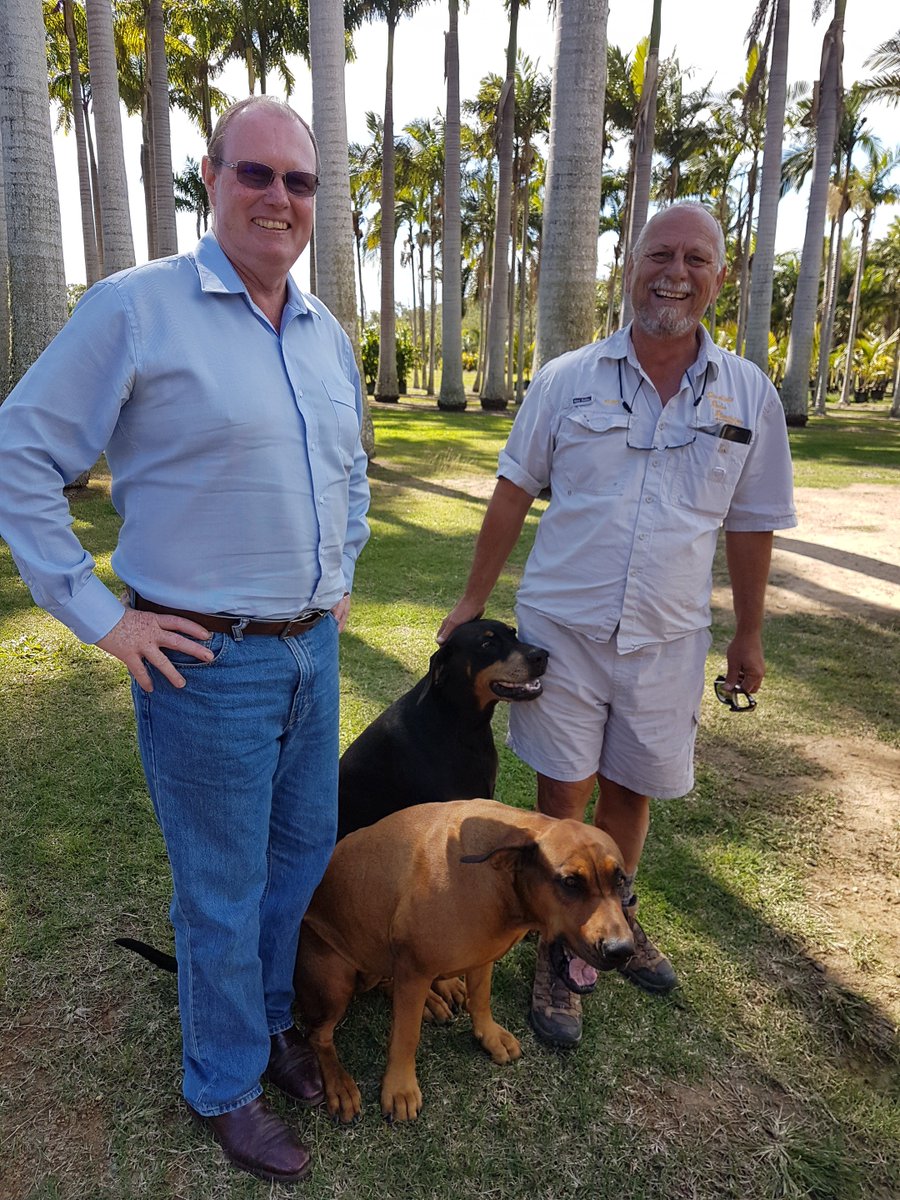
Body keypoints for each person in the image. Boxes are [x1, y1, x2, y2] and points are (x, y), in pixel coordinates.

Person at [0, 97, 370, 1183]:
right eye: (255, 173)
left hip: (311, 651)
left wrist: (337, 576)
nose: (278, 198)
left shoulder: (322, 331)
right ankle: (222, 1084)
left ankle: (258, 1028)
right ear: (210, 178)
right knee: (219, 884)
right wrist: (101, 616)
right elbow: (20, 455)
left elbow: (347, 470)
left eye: (299, 183)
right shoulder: (136, 310)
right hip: (203, 664)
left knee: (298, 856)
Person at [438, 202, 796, 1049]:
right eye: (658, 255)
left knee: (631, 790)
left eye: (695, 260)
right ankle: (560, 962)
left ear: (721, 276)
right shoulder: (568, 380)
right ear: (629, 266)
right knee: (562, 798)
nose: (675, 272)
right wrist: (470, 600)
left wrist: (749, 636)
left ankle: (613, 924)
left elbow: (752, 525)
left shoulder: (747, 394)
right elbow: (513, 491)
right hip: (563, 632)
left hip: (669, 638)